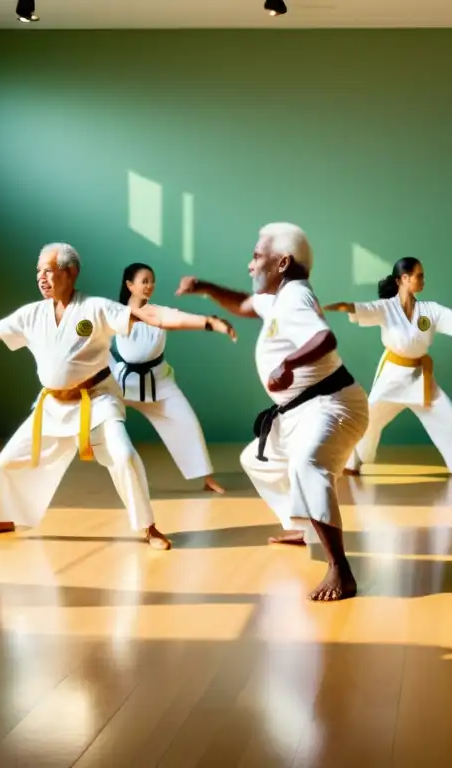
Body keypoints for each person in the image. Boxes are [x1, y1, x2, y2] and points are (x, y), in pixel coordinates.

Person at [0, 243, 237, 550]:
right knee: (6, 461)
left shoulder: (96, 308)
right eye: (39, 273)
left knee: (124, 457)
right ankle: (6, 517)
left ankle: (148, 527)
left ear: (70, 272)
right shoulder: (32, 314)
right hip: (51, 405)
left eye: (48, 271)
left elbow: (155, 316)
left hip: (97, 402)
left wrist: (207, 321)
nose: (42, 278)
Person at [175, 222, 369, 601]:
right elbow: (246, 306)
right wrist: (205, 288)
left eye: (257, 256)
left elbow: (324, 339)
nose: (250, 265)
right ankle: (302, 525)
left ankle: (340, 571)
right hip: (301, 408)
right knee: (257, 459)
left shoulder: (295, 296)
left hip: (332, 405)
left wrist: (288, 365)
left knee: (306, 466)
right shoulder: (278, 295)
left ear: (282, 263)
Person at [322, 257, 452, 483]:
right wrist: (326, 307)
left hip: (420, 377)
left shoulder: (428, 309)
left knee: (447, 415)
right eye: (419, 275)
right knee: (369, 417)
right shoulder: (386, 308)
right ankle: (353, 464)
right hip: (393, 375)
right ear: (403, 279)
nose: (423, 280)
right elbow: (353, 307)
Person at [111, 262, 224, 494]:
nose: (150, 285)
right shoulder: (114, 314)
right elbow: (88, 328)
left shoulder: (160, 312)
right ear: (130, 285)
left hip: (159, 382)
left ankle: (207, 478)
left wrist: (210, 322)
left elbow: (182, 319)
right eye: (144, 281)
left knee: (187, 423)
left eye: (152, 281)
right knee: (97, 420)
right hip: (122, 383)